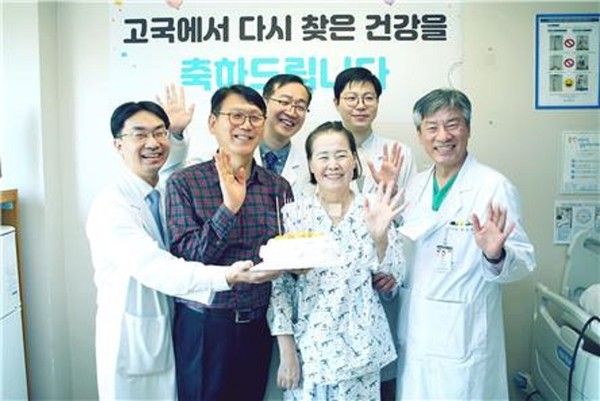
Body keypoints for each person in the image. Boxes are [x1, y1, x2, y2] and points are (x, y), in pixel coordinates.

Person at [86, 100, 279, 400]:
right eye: (140, 134)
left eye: (159, 133)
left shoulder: (162, 191)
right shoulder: (111, 206)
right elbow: (158, 268)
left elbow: (174, 163)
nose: (153, 143)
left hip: (180, 327)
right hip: (135, 336)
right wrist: (226, 276)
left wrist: (175, 132)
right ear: (118, 145)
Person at [396, 88, 536, 400]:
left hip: (464, 333)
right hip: (417, 329)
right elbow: (406, 255)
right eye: (432, 127)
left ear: (468, 129)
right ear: (420, 135)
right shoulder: (415, 186)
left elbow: (524, 261)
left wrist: (496, 254)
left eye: (453, 124)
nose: (443, 136)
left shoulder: (493, 186)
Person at [165, 84, 293, 401]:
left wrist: (297, 264)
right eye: (236, 116)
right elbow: (186, 258)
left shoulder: (278, 187)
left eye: (255, 117)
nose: (246, 125)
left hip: (257, 326)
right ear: (213, 123)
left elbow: (286, 251)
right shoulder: (185, 182)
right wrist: (229, 208)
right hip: (204, 325)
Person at [269, 121, 405, 401]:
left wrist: (380, 238)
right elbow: (279, 287)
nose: (333, 165)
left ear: (354, 160)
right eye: (323, 157)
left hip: (362, 352)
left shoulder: (373, 207)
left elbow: (395, 276)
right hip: (309, 352)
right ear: (310, 165)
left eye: (341, 155)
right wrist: (287, 350)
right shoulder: (293, 214)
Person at [333, 66, 417, 400]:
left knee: (381, 371)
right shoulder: (325, 148)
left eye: (368, 98)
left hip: (380, 278)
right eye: (351, 97)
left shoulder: (398, 153)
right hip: (335, 281)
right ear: (336, 102)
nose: (360, 105)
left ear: (378, 103)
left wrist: (389, 189)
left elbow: (408, 223)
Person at [257, 73, 313, 197]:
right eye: (284, 102)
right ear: (264, 102)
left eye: (300, 107)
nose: (291, 112)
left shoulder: (310, 166)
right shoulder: (237, 155)